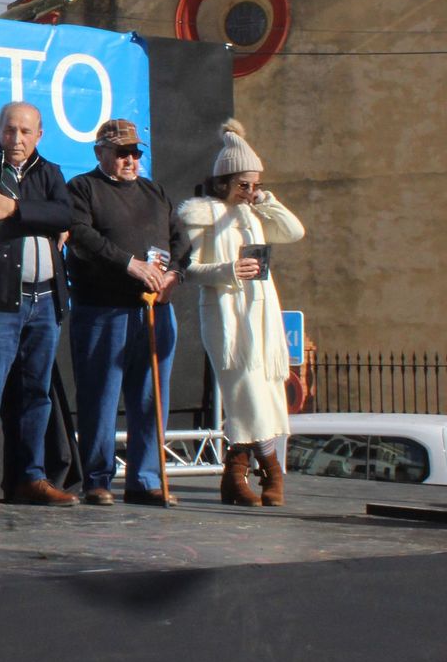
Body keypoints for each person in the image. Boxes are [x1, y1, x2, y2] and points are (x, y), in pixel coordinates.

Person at [178, 120, 304, 507]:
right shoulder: (203, 215)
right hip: (228, 316)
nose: (249, 192)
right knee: (246, 396)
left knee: (266, 392)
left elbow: (294, 232)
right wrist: (229, 270)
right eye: (243, 184)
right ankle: (270, 468)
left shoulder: (254, 214)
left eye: (255, 184)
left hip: (262, 316)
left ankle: (235, 474)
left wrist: (268, 202)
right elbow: (190, 269)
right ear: (223, 181)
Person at [0, 102, 77, 508]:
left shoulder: (50, 172)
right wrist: (39, 218)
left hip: (45, 300)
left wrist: (14, 209)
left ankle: (30, 477)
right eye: (10, 130)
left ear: (39, 135)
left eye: (26, 132)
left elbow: (67, 213)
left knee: (36, 395)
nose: (17, 139)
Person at [66, 118, 189, 507]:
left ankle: (145, 477)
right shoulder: (84, 188)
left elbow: (181, 240)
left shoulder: (155, 192)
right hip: (103, 309)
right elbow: (82, 235)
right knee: (100, 397)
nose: (131, 159)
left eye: (136, 152)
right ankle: (97, 479)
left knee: (151, 398)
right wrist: (129, 264)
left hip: (154, 308)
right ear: (100, 152)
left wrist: (173, 275)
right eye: (122, 152)